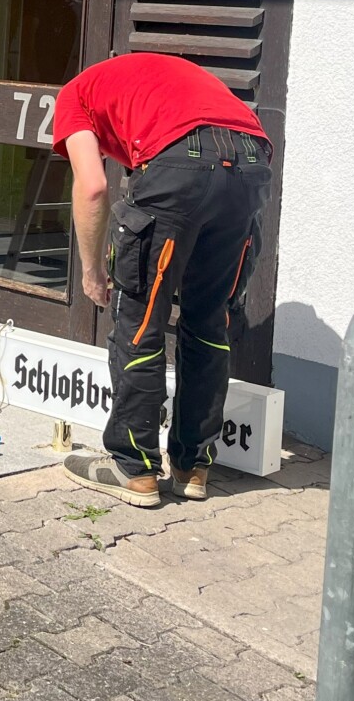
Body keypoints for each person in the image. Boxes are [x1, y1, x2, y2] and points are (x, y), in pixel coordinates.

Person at [52, 51, 272, 506]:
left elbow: (92, 186)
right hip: (251, 160)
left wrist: (92, 271)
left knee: (139, 320)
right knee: (208, 322)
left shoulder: (74, 95)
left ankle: (134, 468)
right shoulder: (150, 80)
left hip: (179, 162)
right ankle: (193, 467)